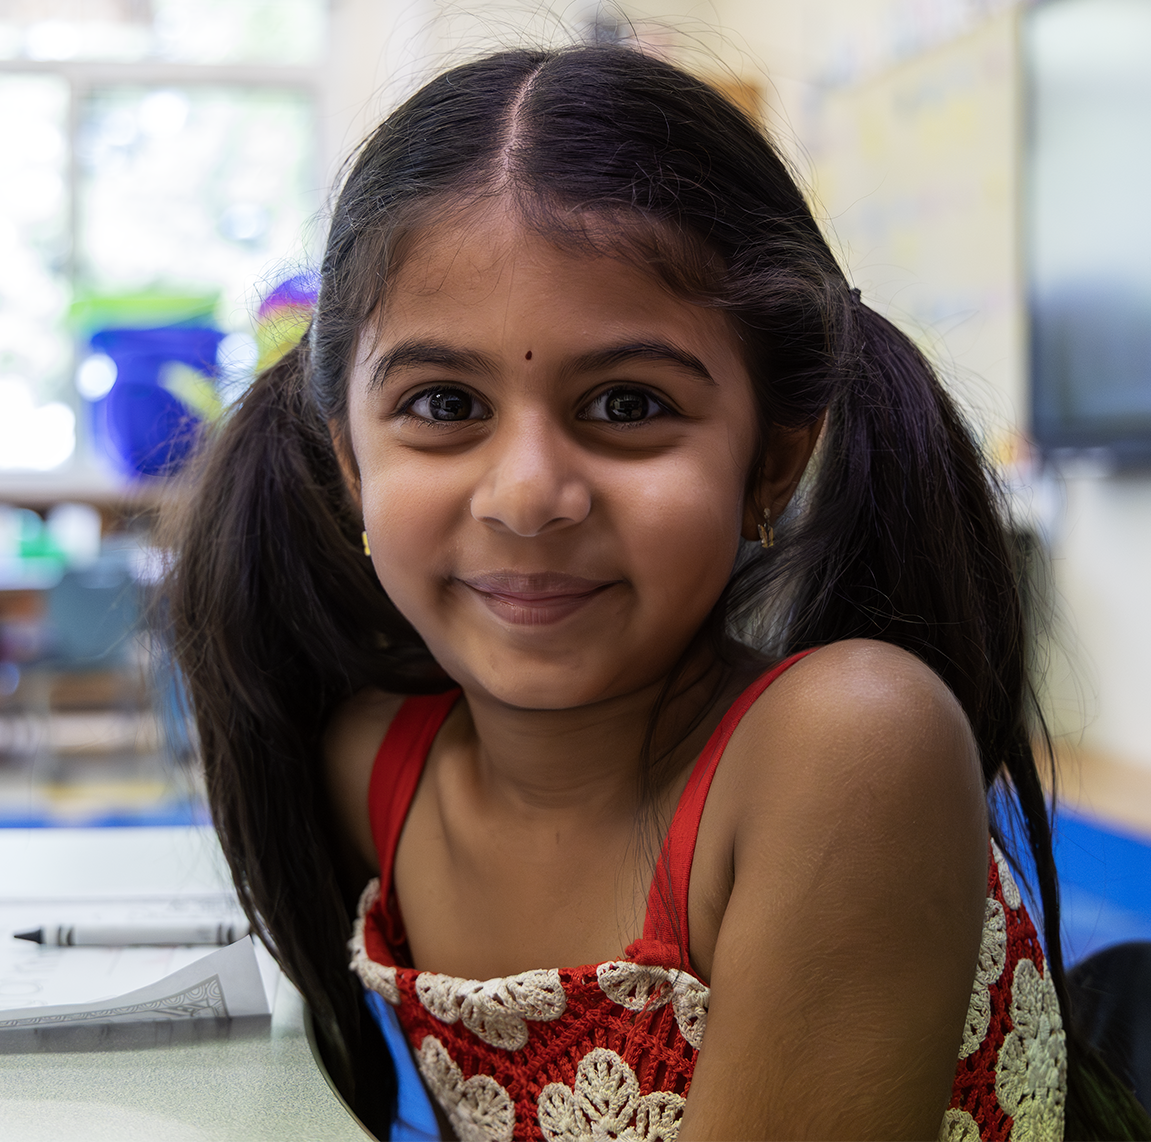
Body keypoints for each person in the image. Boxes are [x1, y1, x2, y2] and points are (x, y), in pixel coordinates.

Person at [165, 45, 1151, 1142]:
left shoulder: (848, 745)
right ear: (351, 462)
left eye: (627, 404)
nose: (529, 494)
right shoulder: (366, 772)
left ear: (770, 461)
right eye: (443, 404)